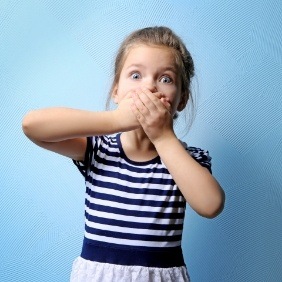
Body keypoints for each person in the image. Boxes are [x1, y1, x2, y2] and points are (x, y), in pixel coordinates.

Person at [22, 26, 225, 282]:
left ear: (181, 99)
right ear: (116, 90)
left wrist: (162, 136)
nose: (149, 87)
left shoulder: (188, 159)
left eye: (165, 79)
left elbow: (211, 205)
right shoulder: (98, 149)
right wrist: (116, 120)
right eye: (136, 75)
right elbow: (32, 126)